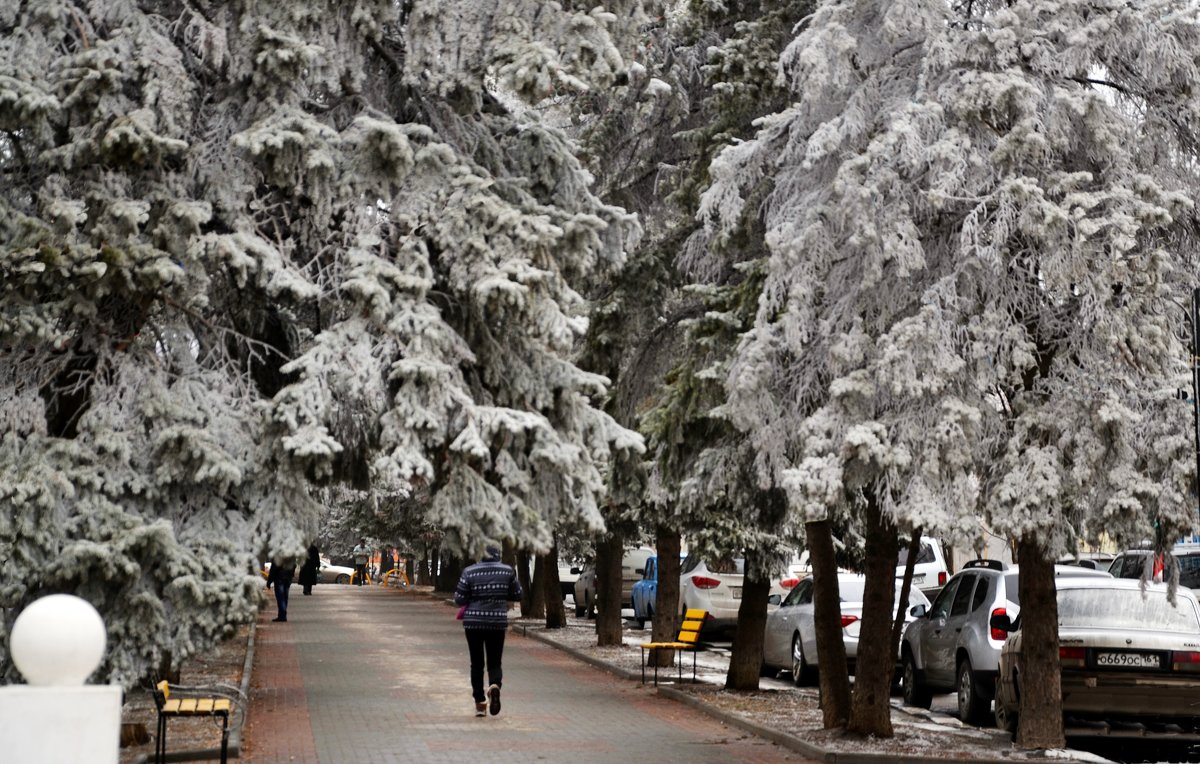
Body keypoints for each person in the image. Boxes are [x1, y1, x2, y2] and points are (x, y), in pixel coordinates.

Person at [454, 545, 522, 717]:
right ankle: (494, 686)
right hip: (497, 623)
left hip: (473, 623)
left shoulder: (469, 572)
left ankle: (480, 703)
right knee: (495, 662)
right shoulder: (507, 571)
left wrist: (473, 596)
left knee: (476, 663)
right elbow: (518, 594)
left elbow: (459, 598)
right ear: (497, 554)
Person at [265, 556, 295, 622]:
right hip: (287, 578)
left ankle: (282, 615)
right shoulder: (291, 555)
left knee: (280, 597)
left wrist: (269, 581)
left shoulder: (278, 555)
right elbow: (294, 565)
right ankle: (282, 614)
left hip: (279, 578)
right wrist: (291, 575)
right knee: (285, 596)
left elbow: (274, 568)